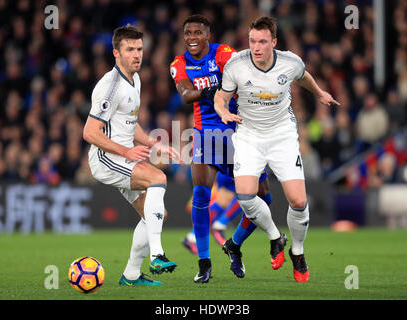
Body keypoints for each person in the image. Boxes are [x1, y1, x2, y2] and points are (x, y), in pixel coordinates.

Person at [214, 16, 340, 282]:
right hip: (249, 136)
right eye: (252, 41)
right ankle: (275, 237)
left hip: (282, 135)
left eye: (262, 41)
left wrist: (319, 93)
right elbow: (221, 95)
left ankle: (298, 251)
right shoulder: (237, 65)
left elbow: (303, 76)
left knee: (298, 200)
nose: (256, 47)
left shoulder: (290, 62)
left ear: (274, 42)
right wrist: (222, 110)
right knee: (246, 197)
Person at [170, 14, 273, 283]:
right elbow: (184, 93)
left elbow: (245, 73)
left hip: (240, 132)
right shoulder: (179, 63)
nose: (192, 37)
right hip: (207, 135)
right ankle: (204, 263)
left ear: (208, 36)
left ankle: (234, 245)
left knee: (263, 198)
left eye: (197, 32)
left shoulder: (223, 53)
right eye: (187, 33)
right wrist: (210, 91)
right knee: (201, 196)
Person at [83, 25, 181, 286]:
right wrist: (126, 151)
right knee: (158, 178)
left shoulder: (134, 79)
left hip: (125, 157)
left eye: (139, 48)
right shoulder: (111, 87)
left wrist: (154, 143)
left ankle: (131, 275)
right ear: (116, 53)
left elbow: (129, 122)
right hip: (106, 158)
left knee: (155, 215)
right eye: (130, 49)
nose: (136, 54)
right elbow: (90, 132)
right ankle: (157, 255)